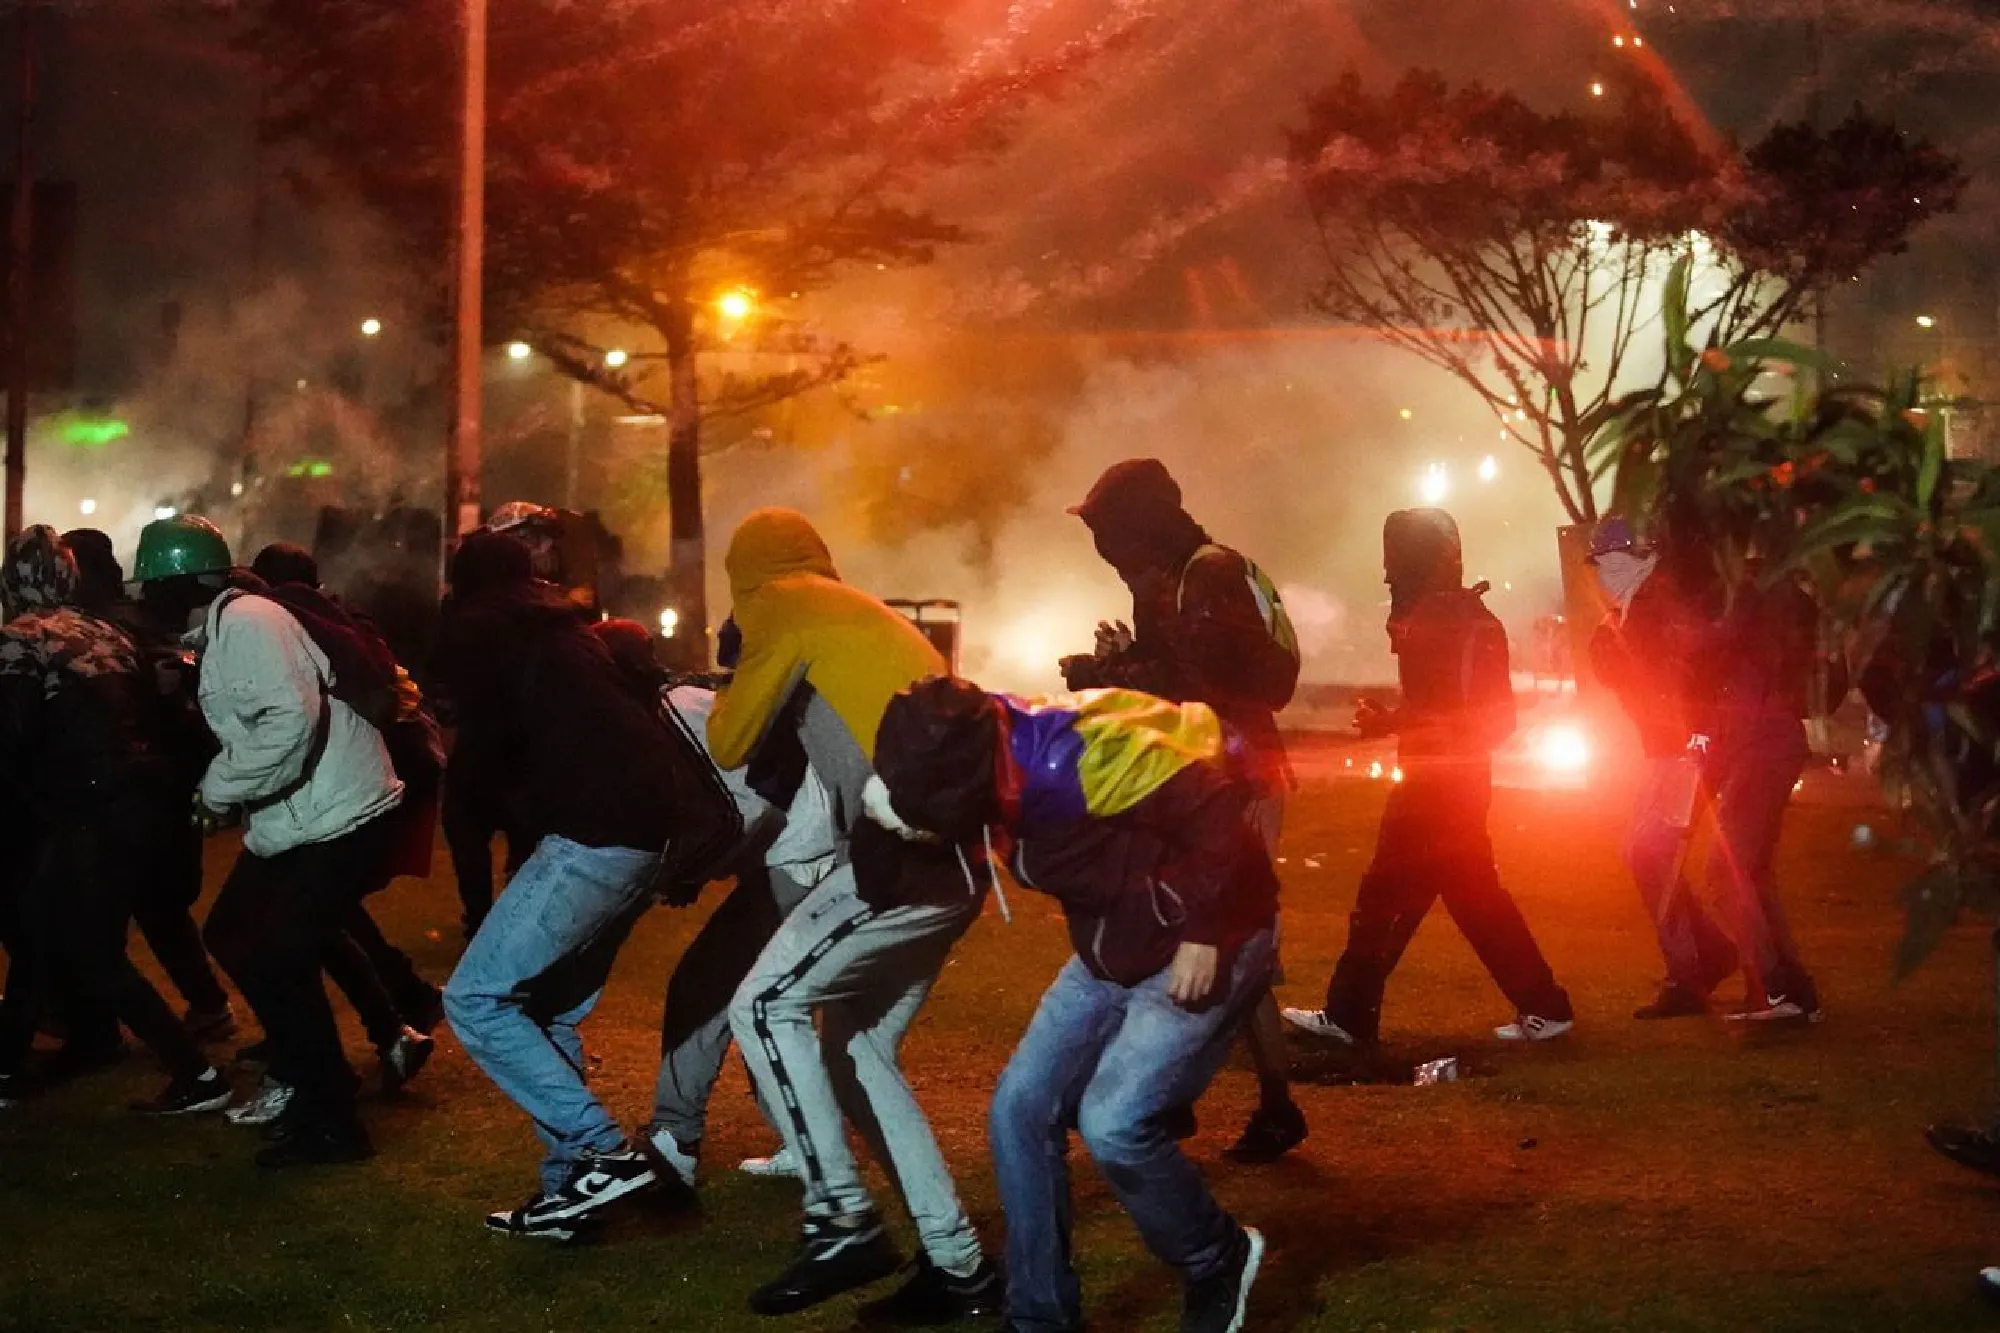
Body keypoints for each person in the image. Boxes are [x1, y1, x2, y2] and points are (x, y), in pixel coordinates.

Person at [870, 678, 1275, 1333]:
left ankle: (1217, 1257)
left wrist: (1201, 929)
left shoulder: (1078, 758)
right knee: (1018, 1109)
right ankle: (1041, 1316)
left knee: (1114, 1122)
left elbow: (1221, 814)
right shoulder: (965, 767)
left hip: (1209, 937)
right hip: (1114, 945)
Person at [716, 508, 1001, 1321]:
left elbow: (733, 740)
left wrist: (736, 670)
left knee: (765, 1005)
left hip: (899, 860)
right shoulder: (853, 604)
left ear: (747, 573)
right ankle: (960, 1268)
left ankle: (841, 1217)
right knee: (860, 1050)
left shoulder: (781, 604)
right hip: (956, 857)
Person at [435, 533, 733, 1239]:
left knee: (475, 1000)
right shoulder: (569, 632)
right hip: (647, 836)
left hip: (592, 833)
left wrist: (479, 824)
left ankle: (598, 1149)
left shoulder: (483, 633)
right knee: (545, 1007)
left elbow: (485, 754)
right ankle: (573, 1193)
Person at [135, 515, 407, 1166]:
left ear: (187, 582)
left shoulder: (251, 622)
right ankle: (320, 1085)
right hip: (306, 814)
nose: (145, 600)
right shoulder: (225, 630)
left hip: (345, 812)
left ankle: (333, 1118)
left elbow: (289, 719)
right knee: (234, 934)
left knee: (276, 954)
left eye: (153, 586)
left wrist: (217, 790)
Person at [1060, 456, 1305, 1163]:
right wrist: (1119, 665)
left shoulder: (1205, 576)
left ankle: (1237, 1100)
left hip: (1234, 778)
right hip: (1202, 776)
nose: (1106, 551)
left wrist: (1116, 673)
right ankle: (1195, 1097)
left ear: (1140, 526)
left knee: (1227, 936)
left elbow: (1204, 689)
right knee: (1201, 931)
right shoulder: (1178, 578)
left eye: (1111, 531)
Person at [1282, 509, 1574, 1047]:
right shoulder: (1447, 618)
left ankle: (1349, 1016)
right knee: (1467, 896)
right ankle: (1544, 1004)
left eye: (1395, 557)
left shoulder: (1452, 624)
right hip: (1445, 779)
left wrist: (1396, 723)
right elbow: (1451, 708)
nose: (1387, 573)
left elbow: (1478, 716)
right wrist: (1396, 721)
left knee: (1384, 898)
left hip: (1439, 785)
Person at [0, 526, 231, 1115]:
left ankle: (196, 1071)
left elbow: (13, 737)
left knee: (75, 942)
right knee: (51, 930)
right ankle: (28, 1058)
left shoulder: (21, 640)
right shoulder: (105, 630)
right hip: (142, 802)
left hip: (90, 807)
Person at [222, 542, 442, 1126]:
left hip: (337, 794)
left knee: (294, 930)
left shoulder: (286, 625)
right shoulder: (342, 620)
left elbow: (292, 719)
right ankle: (390, 1024)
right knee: (319, 922)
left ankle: (321, 1075)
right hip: (366, 785)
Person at [64, 526, 235, 1043]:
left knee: (117, 908)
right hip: (165, 787)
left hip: (144, 791)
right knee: (155, 905)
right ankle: (201, 1005)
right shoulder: (141, 627)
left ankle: (100, 1028)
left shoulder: (114, 630)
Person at [1587, 518, 1742, 1019]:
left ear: (1644, 557)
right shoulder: (1636, 607)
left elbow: (1677, 675)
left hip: (1683, 749)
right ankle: (1707, 955)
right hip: (1668, 749)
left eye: (1614, 562)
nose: (1605, 574)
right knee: (1646, 853)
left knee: (1651, 852)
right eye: (1601, 564)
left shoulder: (1657, 607)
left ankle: (1690, 973)